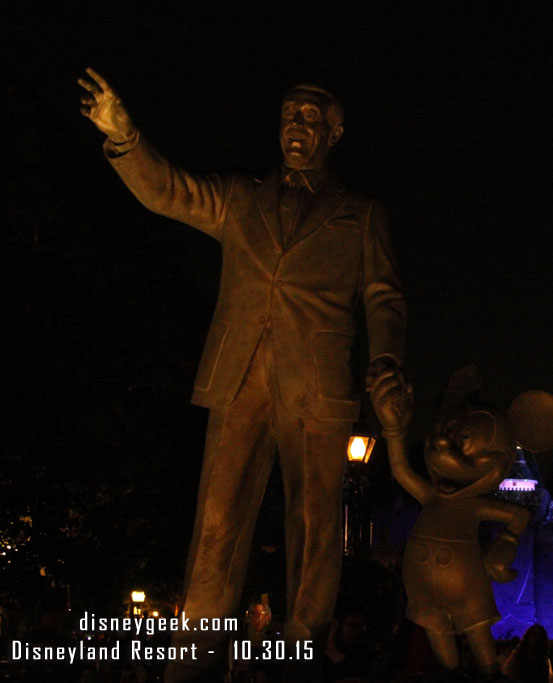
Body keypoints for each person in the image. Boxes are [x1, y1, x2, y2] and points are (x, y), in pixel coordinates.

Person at [77, 68, 406, 682]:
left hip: (319, 383)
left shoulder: (360, 214)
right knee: (218, 518)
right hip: (239, 376)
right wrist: (125, 138)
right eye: (287, 115)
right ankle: (195, 656)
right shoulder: (239, 196)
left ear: (336, 132)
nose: (294, 127)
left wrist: (385, 360)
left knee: (314, 521)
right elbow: (167, 192)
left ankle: (300, 650)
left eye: (309, 118)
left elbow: (383, 297)